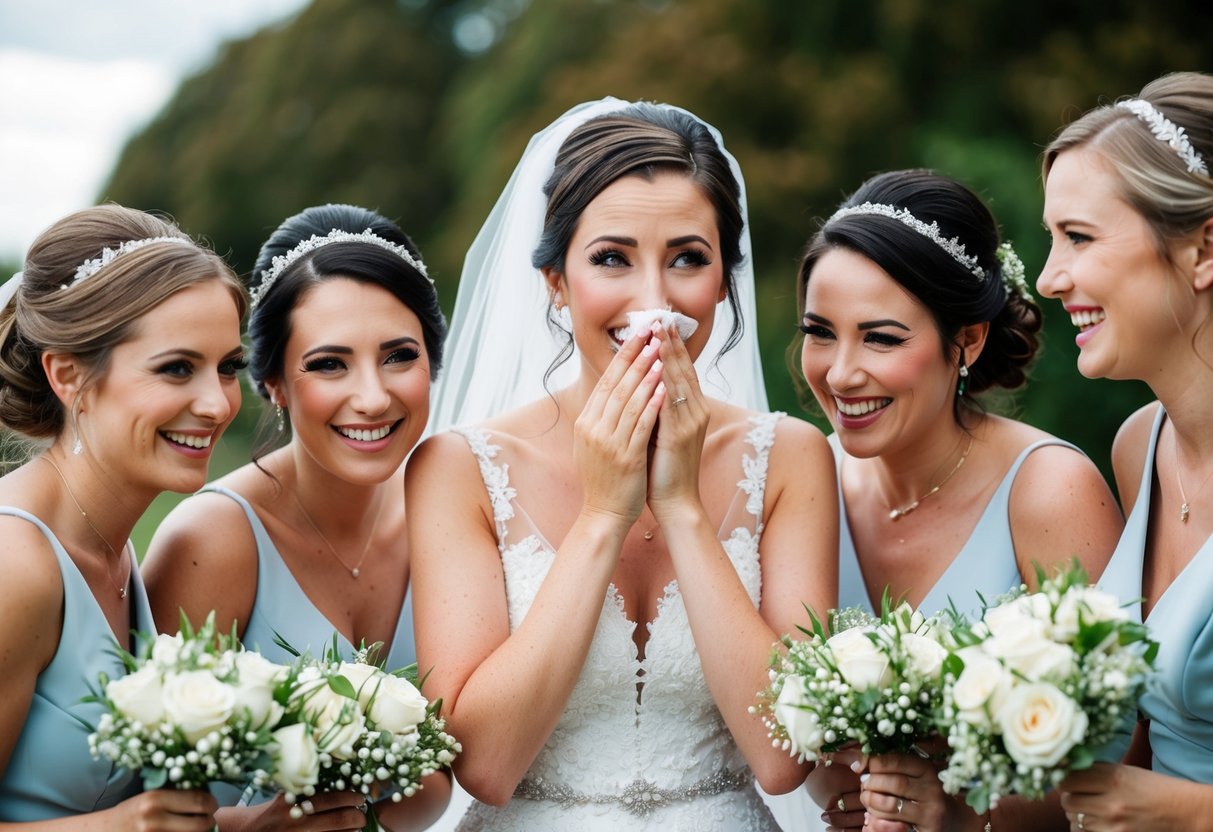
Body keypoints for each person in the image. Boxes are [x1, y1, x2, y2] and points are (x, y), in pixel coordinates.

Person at [408, 98, 838, 831]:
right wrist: (604, 514)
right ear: (554, 281)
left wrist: (682, 509)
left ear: (723, 281)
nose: (653, 304)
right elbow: (484, 762)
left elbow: (782, 755)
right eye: (611, 259)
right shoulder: (460, 468)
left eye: (687, 259)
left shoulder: (790, 457)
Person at [794, 170, 1124, 832]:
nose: (838, 372)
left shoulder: (1050, 491)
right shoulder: (800, 481)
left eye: (881, 337)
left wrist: (962, 815)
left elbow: (1126, 757)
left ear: (967, 340)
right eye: (820, 331)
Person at [143, 204, 450, 831]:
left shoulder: (453, 515)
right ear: (274, 382)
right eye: (329, 364)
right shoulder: (211, 541)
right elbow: (140, 799)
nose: (372, 396)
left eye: (399, 356)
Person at [0, 204, 244, 826]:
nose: (216, 403)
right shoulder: (15, 564)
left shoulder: (113, 550)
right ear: (68, 375)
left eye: (229, 368)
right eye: (177, 369)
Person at [1036, 71, 1213, 832]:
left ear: (1203, 249)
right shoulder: (1138, 446)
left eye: (1076, 237)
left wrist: (1187, 812)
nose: (1048, 278)